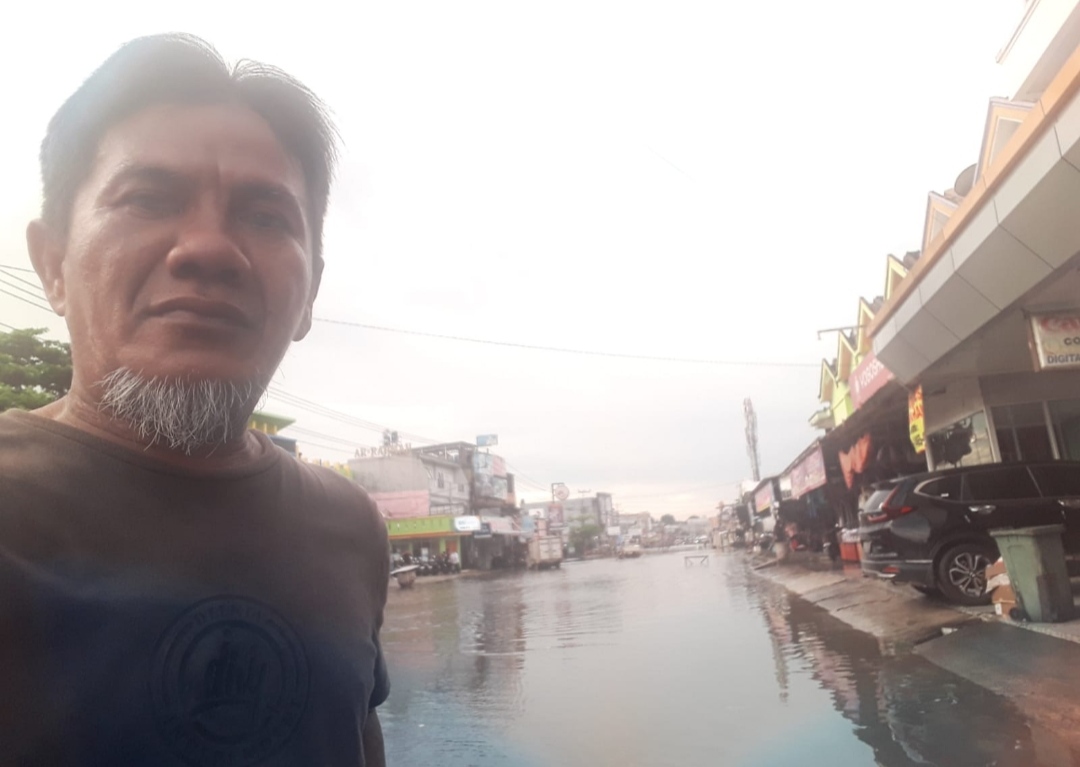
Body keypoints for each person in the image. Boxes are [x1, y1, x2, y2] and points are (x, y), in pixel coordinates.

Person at [0, 34, 390, 766]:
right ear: (52, 262)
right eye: (148, 199)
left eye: (266, 217)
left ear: (310, 292)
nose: (209, 248)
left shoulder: (350, 528)